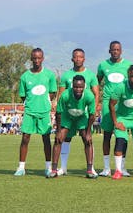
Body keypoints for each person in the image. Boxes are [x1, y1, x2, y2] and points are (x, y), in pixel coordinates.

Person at [14, 48, 57, 177]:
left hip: (44, 112)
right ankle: (21, 167)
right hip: (30, 112)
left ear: (43, 58)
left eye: (39, 58)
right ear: (31, 59)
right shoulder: (25, 76)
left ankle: (48, 167)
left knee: (46, 139)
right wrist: (32, 102)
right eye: (34, 58)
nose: (37, 60)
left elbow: (53, 92)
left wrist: (44, 102)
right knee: (25, 139)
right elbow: (23, 95)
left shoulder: (49, 75)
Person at [56, 48, 99, 176]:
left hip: (84, 115)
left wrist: (94, 110)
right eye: (76, 57)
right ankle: (63, 167)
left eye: (81, 57)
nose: (78, 59)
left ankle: (91, 168)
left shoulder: (91, 75)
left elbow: (96, 94)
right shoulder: (66, 76)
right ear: (72, 59)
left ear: (84, 59)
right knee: (66, 139)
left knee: (87, 139)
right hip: (68, 114)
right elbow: (61, 95)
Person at [47, 75, 97, 178]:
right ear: (72, 86)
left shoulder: (89, 96)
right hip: (67, 116)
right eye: (75, 87)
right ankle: (54, 170)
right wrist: (59, 131)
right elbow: (59, 113)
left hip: (81, 117)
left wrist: (88, 133)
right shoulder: (65, 95)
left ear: (84, 86)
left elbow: (92, 115)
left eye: (80, 87)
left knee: (88, 140)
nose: (78, 89)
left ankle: (89, 170)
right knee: (58, 140)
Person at [97, 41, 132, 176]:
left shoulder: (127, 65)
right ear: (109, 51)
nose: (115, 51)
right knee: (107, 134)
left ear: (121, 51)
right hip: (107, 103)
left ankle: (122, 167)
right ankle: (106, 168)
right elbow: (97, 81)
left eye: (118, 49)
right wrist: (99, 99)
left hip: (122, 103)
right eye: (113, 49)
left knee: (122, 135)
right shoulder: (103, 65)